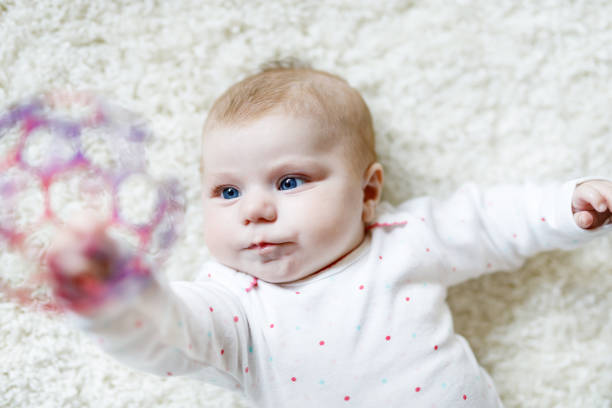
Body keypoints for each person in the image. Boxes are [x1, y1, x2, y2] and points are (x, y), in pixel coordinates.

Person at [48, 66, 612, 407]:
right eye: (226, 192)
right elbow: (169, 330)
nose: (256, 210)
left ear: (368, 194)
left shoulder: (400, 237)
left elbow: (488, 222)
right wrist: (114, 295)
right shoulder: (234, 304)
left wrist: (566, 206)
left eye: (289, 181)